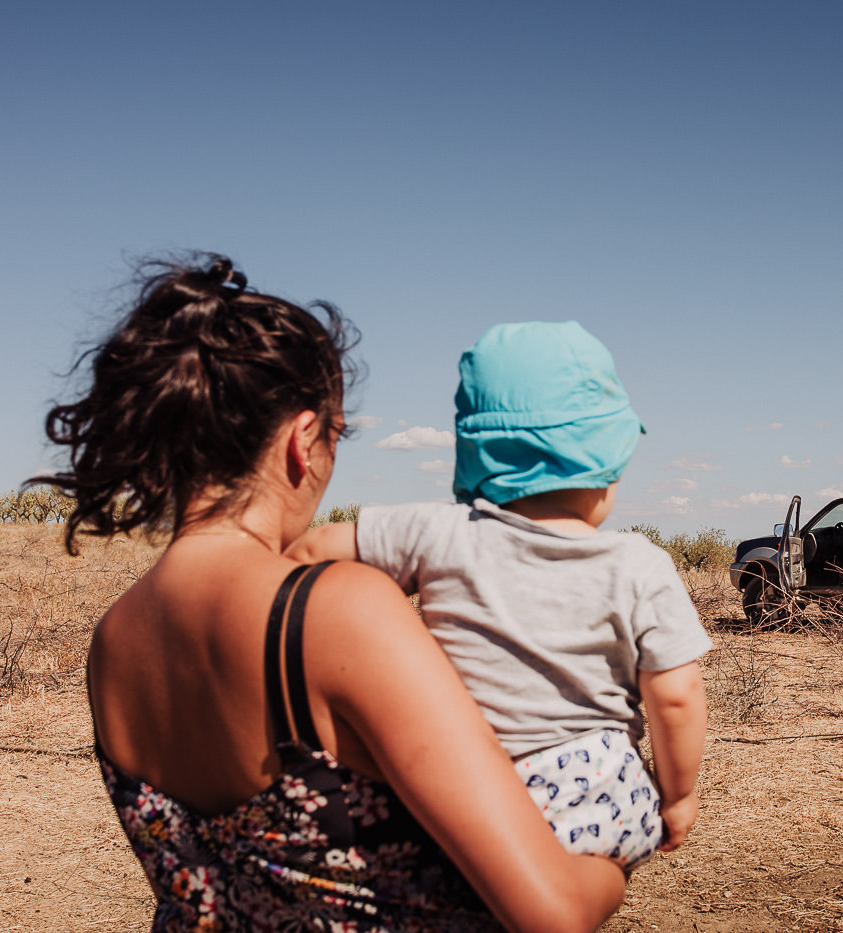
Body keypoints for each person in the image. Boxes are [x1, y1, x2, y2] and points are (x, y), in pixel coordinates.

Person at [43, 256, 625, 932]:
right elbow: (552, 911)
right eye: (338, 434)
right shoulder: (334, 611)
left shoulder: (114, 638)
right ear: (303, 438)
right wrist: (617, 852)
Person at [290, 321, 711, 870]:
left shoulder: (436, 532)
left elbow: (309, 551)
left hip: (462, 791)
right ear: (608, 462)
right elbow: (676, 696)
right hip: (601, 799)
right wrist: (678, 796)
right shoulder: (640, 564)